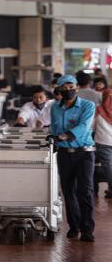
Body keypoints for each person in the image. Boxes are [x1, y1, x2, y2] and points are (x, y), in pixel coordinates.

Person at [50, 74, 96, 242]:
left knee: (85, 191)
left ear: (77, 88)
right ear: (59, 89)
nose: (68, 90)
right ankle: (74, 226)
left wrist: (64, 136)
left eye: (71, 87)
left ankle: (87, 229)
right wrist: (53, 137)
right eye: (65, 87)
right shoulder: (55, 107)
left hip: (84, 153)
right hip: (64, 154)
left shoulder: (88, 105)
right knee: (68, 192)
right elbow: (54, 127)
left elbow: (84, 127)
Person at [95, 89, 112, 198]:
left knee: (108, 166)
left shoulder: (98, 110)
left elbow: (90, 126)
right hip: (104, 142)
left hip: (103, 142)